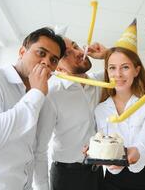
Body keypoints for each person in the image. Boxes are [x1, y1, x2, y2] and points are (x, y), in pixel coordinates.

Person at [0, 27, 66, 189]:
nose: (46, 62)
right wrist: (36, 94)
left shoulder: (42, 99)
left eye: (53, 60)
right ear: (22, 51)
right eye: (41, 53)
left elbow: (35, 153)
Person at [94, 19, 145, 190]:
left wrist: (133, 156)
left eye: (125, 67)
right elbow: (107, 150)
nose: (118, 74)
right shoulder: (100, 110)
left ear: (137, 71)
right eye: (112, 68)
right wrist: (103, 157)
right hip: (113, 180)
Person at [33, 37, 107, 190]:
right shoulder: (53, 95)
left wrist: (107, 55)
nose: (79, 53)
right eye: (67, 54)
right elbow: (40, 149)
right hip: (67, 177)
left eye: (76, 46)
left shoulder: (100, 82)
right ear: (58, 68)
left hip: (97, 172)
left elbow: (129, 70)